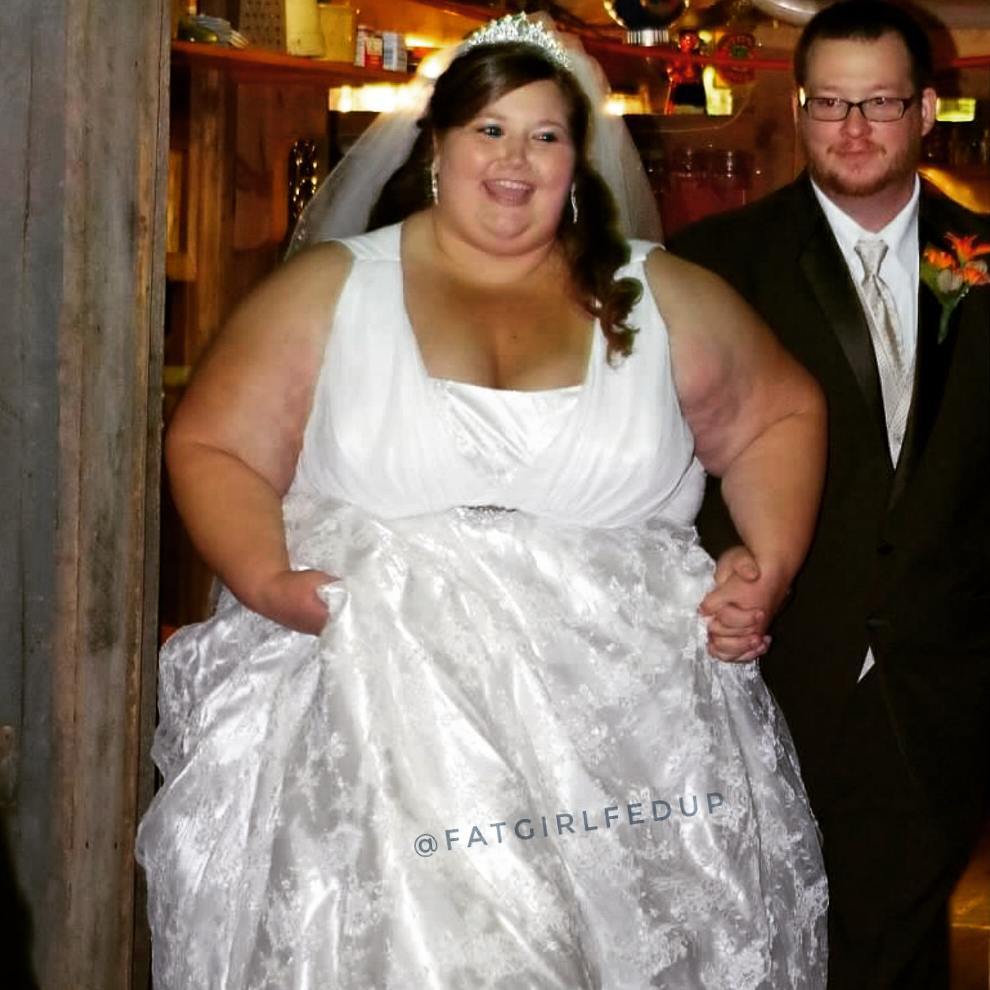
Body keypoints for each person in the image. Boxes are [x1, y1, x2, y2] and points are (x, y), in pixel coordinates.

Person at [137, 15, 829, 987]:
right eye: (489, 130)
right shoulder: (333, 290)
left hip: (622, 745)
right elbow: (214, 444)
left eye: (545, 134)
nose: (515, 159)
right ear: (438, 145)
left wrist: (768, 562)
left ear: (577, 159)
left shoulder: (661, 295)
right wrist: (267, 580)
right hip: (384, 730)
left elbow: (777, 417)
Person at [670, 2, 990, 986]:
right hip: (773, 669)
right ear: (799, 107)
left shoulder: (984, 258)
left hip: (941, 684)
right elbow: (673, 462)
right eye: (830, 104)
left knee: (900, 947)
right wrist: (726, 562)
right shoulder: (717, 265)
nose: (853, 130)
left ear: (927, 109)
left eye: (880, 103)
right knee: (768, 947)